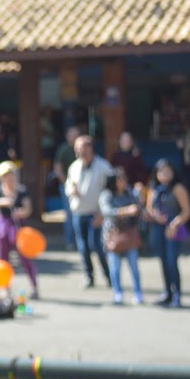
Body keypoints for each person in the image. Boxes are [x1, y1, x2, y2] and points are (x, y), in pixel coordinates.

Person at [0, 162, 39, 298]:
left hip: (18, 228)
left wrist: (20, 212)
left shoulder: (22, 190)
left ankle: (34, 287)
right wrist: (3, 201)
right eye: (6, 176)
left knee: (25, 258)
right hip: (2, 229)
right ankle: (4, 288)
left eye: (11, 175)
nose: (9, 178)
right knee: (2, 258)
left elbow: (28, 209)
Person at [65, 136, 112, 288]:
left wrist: (102, 213)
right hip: (79, 212)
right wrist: (71, 191)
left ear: (90, 148)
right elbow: (68, 185)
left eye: (82, 147)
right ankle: (89, 276)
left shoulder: (103, 166)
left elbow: (110, 191)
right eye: (77, 148)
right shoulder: (74, 167)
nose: (79, 151)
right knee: (82, 247)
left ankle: (109, 275)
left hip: (96, 213)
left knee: (97, 245)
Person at [146, 159, 190, 308]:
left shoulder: (178, 188)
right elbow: (149, 208)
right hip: (158, 228)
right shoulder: (154, 188)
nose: (164, 174)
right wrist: (156, 216)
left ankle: (177, 294)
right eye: (161, 171)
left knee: (172, 261)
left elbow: (187, 211)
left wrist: (174, 224)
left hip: (173, 228)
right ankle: (167, 292)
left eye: (168, 171)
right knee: (163, 260)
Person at [99, 168, 144, 305]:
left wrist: (139, 197)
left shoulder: (130, 193)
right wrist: (126, 211)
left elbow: (139, 207)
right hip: (113, 235)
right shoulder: (106, 195)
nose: (123, 181)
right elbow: (107, 211)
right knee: (115, 267)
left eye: (124, 178)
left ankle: (138, 293)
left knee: (134, 266)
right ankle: (118, 292)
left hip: (130, 234)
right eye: (120, 179)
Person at [54, 126, 82, 249]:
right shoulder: (63, 150)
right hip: (68, 187)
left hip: (83, 187)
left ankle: (82, 242)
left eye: (76, 135)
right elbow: (58, 168)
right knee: (70, 215)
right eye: (72, 135)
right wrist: (67, 184)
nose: (74, 138)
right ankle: (70, 242)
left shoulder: (83, 149)